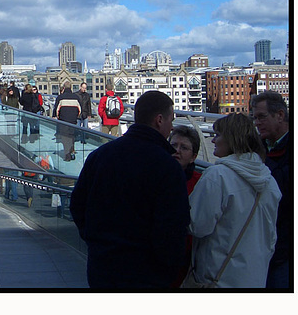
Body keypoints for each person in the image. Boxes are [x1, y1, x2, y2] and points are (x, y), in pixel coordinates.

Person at [70, 90, 189, 289]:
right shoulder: (167, 167)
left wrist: (96, 242)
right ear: (159, 120)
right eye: (171, 120)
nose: (172, 127)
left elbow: (77, 205)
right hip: (147, 274)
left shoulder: (100, 156)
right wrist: (167, 270)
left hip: (103, 268)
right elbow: (172, 228)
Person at [187, 113, 281, 288]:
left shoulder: (218, 176)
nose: (214, 141)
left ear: (232, 139)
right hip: (255, 278)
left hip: (218, 277)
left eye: (218, 135)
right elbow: (270, 237)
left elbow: (198, 225)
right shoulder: (270, 181)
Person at [250, 91, 291, 289]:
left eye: (261, 117)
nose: (257, 123)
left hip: (284, 247)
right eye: (254, 118)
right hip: (266, 245)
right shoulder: (261, 149)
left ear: (280, 115)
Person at [169, 126, 203, 287]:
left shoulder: (201, 183)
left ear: (193, 157)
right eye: (174, 145)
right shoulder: (156, 175)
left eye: (184, 148)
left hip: (189, 254)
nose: (177, 151)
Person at [53, 81, 81, 161]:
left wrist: (58, 117)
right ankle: (72, 151)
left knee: (65, 138)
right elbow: (80, 109)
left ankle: (67, 155)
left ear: (64, 88)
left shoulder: (60, 97)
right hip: (73, 121)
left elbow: (56, 110)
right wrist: (76, 117)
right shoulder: (76, 97)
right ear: (71, 87)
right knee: (71, 137)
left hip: (63, 121)